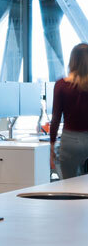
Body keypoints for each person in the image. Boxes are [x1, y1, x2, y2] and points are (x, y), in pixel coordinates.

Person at [50, 43, 88, 180]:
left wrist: (52, 144)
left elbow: (56, 118)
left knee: (68, 185)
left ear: (72, 61)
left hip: (70, 142)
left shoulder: (61, 85)